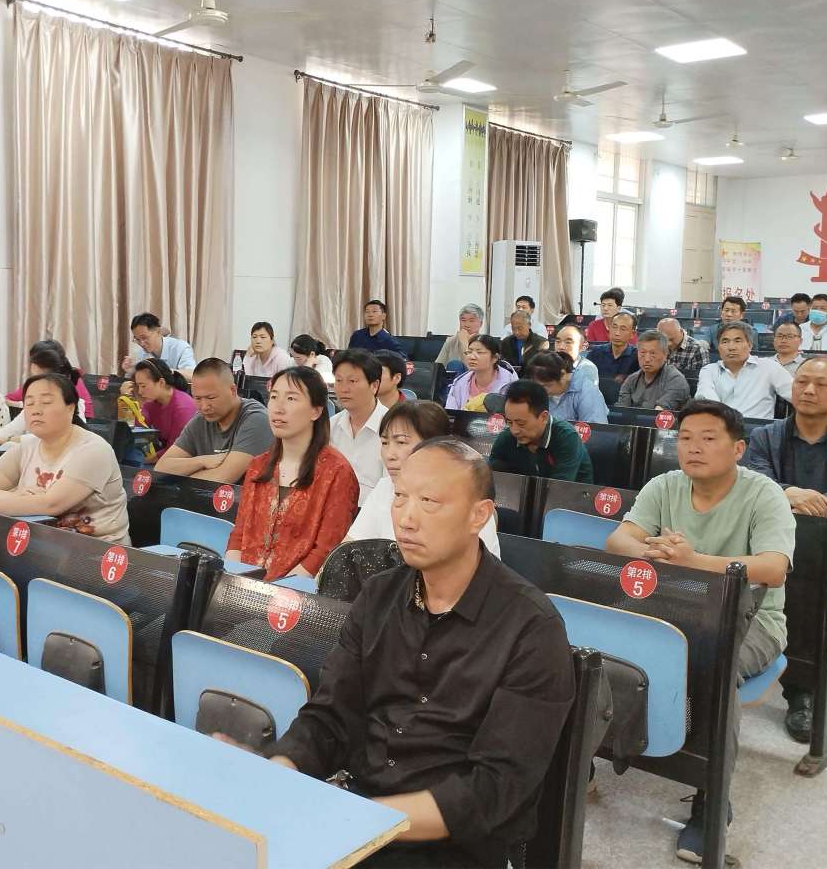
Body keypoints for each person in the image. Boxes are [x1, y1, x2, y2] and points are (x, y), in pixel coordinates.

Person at [258, 439, 575, 869]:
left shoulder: (531, 627)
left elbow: (493, 790)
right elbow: (331, 714)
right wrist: (282, 769)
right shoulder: (378, 596)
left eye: (429, 502)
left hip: (452, 847)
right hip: (359, 815)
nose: (406, 518)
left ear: (478, 515)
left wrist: (361, 820)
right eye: (400, 497)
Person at [606, 400, 795, 864]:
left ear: (738, 449)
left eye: (709, 438)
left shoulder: (763, 494)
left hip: (753, 619)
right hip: (671, 609)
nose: (694, 447)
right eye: (686, 437)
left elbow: (774, 568)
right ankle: (595, 748)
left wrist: (695, 563)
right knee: (600, 646)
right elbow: (618, 539)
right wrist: (653, 552)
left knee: (714, 668)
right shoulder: (665, 485)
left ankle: (712, 799)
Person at [743, 356, 827, 743]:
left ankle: (802, 691)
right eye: (801, 382)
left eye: (821, 385)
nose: (808, 390)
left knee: (804, 571)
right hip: (767, 535)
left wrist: (814, 503)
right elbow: (753, 478)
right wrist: (788, 494)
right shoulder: (766, 436)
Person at [0, 374, 130, 543]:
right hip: (43, 545)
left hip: (97, 553)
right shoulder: (27, 446)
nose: (36, 410)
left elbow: (51, 504)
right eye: (29, 403)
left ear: (70, 408)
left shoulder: (93, 450)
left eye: (46, 402)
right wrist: (16, 496)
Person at [225, 367, 359, 579]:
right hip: (246, 583)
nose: (278, 408)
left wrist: (278, 589)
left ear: (316, 411)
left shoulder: (337, 472)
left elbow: (326, 550)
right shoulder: (259, 465)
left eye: (291, 398)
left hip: (297, 590)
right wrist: (233, 578)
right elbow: (239, 534)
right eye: (274, 397)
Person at [344, 401, 501, 557]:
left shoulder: (468, 494)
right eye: (385, 443)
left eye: (401, 442)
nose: (389, 455)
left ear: (435, 444)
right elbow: (348, 551)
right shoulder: (385, 487)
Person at [155, 358, 275, 484]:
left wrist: (182, 476)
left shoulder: (257, 419)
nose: (204, 407)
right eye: (198, 398)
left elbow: (223, 477)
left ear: (232, 390)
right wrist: (201, 461)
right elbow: (161, 468)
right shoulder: (201, 420)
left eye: (211, 398)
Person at [489, 380, 594, 482]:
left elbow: (559, 488)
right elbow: (490, 477)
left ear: (544, 417)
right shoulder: (506, 438)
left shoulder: (567, 438)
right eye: (509, 422)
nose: (514, 431)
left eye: (521, 423)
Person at [0, 346, 91, 445]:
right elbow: (7, 431)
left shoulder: (72, 403)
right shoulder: (32, 402)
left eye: (38, 377)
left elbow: (55, 436)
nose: (34, 383)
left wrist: (13, 439)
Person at [695, 321, 793, 420]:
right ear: (718, 347)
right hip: (720, 424)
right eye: (725, 342)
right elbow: (705, 397)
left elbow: (796, 394)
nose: (731, 347)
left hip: (757, 428)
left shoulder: (769, 367)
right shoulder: (709, 370)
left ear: (750, 345)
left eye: (737, 341)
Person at [330, 349, 388, 504]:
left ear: (374, 385)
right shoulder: (330, 427)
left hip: (375, 512)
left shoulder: (392, 428)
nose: (344, 389)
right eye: (338, 380)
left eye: (352, 381)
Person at [6, 340, 94, 416]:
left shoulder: (63, 385)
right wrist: (20, 405)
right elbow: (8, 399)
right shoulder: (38, 382)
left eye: (32, 360)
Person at [132, 358, 198, 456]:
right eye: (138, 386)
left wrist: (145, 460)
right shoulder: (152, 402)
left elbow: (176, 451)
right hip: (166, 454)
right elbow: (138, 433)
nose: (140, 392)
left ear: (161, 383)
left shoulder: (183, 408)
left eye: (143, 386)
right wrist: (128, 399)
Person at [617, 329, 692, 410]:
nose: (647, 359)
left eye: (653, 353)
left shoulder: (676, 380)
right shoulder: (631, 380)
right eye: (642, 352)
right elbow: (622, 411)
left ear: (666, 354)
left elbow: (659, 412)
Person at [527, 351, 609, 425]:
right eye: (538, 386)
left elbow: (596, 430)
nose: (542, 390)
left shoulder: (586, 391)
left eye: (547, 385)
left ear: (562, 375)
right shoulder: (536, 390)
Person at [444, 335, 518, 412]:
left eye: (479, 352)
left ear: (495, 358)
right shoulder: (459, 383)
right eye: (469, 352)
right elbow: (451, 414)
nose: (472, 357)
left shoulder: (510, 385)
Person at [131, 312, 197, 379]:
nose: (141, 343)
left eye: (144, 337)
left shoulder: (181, 347)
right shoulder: (139, 352)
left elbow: (192, 375)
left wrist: (166, 372)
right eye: (137, 339)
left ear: (158, 332)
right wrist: (131, 370)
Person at [585, 312, 640, 384]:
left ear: (632, 334)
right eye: (614, 327)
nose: (617, 333)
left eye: (623, 329)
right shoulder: (595, 353)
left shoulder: (638, 357)